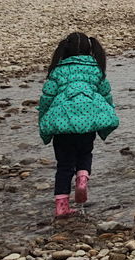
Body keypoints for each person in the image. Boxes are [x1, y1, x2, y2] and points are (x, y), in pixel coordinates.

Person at [37, 31, 120, 218]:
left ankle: (61, 207)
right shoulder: (96, 70)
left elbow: (46, 100)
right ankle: (82, 177)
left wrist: (43, 122)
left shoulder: (57, 71)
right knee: (85, 153)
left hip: (62, 124)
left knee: (64, 166)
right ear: (90, 50)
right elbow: (106, 97)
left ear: (64, 50)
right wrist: (107, 116)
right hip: (87, 123)